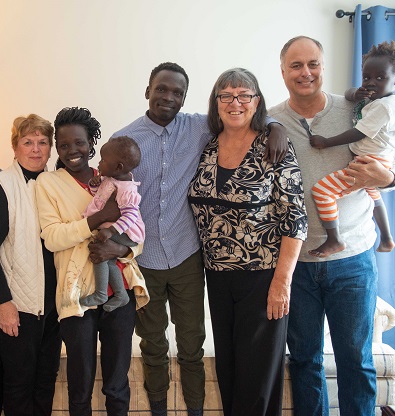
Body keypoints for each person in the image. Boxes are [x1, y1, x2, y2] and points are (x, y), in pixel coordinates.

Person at [113, 62, 289, 415]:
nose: (168, 97)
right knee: (152, 343)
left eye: (177, 92)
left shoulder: (198, 128)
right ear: (148, 90)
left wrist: (275, 125)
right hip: (144, 261)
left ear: (185, 98)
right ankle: (160, 408)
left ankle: (195, 410)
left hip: (186, 257)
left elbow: (242, 113)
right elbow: (105, 191)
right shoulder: (125, 140)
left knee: (192, 343)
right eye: (162, 89)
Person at [268, 36, 395, 416]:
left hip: (353, 259)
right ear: (282, 71)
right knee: (304, 361)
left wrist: (387, 177)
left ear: (323, 66)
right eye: (296, 65)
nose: (305, 72)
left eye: (312, 63)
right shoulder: (271, 120)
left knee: (355, 360)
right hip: (297, 264)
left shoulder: (359, 108)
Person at [188, 68, 307, 416]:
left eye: (244, 95)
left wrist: (282, 283)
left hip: (263, 277)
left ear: (257, 101)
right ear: (216, 102)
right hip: (217, 277)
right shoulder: (207, 146)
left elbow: (295, 218)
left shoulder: (274, 146)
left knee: (257, 379)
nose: (235, 102)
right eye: (225, 95)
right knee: (230, 371)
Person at [35, 107, 149, 415]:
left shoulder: (113, 177)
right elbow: (53, 237)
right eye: (64, 144)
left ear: (92, 143)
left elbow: (137, 234)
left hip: (119, 294)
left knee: (116, 383)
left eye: (80, 143)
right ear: (57, 147)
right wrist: (100, 218)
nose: (73, 150)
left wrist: (119, 251)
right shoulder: (48, 184)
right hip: (77, 296)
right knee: (80, 384)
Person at [0, 114, 61, 415]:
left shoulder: (54, 184)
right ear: (15, 147)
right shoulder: (2, 186)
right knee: (18, 385)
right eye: (27, 142)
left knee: (45, 381)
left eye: (42, 142)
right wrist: (4, 305)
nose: (35, 149)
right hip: (18, 306)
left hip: (51, 304)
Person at [307, 40, 395, 257]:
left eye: (380, 78)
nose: (371, 83)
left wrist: (326, 141)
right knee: (373, 194)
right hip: (374, 158)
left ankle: (334, 239)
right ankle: (387, 238)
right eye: (366, 77)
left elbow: (359, 132)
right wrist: (356, 93)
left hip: (370, 162)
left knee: (322, 191)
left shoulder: (385, 107)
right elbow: (350, 94)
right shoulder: (374, 99)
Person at [80, 135, 145, 312]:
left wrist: (111, 231)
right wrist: (94, 185)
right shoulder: (111, 178)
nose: (99, 164)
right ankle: (121, 295)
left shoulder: (127, 189)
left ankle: (100, 293)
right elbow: (100, 197)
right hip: (119, 230)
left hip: (128, 232)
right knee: (109, 261)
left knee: (100, 249)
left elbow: (130, 216)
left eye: (103, 160)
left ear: (118, 167)